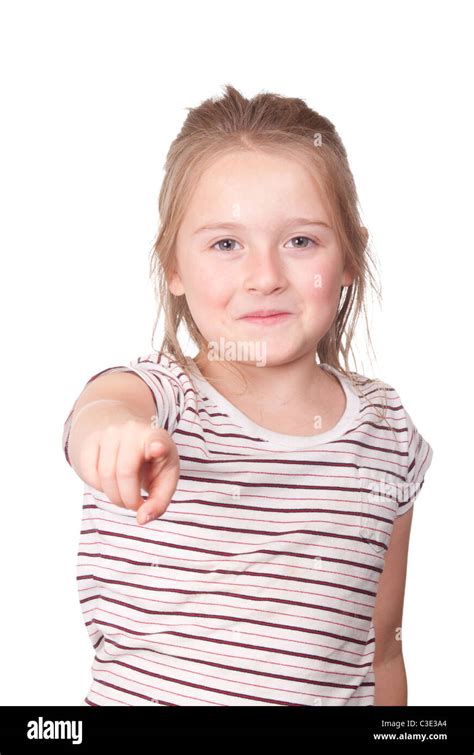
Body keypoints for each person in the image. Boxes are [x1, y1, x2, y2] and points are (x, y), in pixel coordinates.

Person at [62, 84, 433, 707]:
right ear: (173, 267)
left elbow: (384, 644)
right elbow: (100, 412)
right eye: (226, 244)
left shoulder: (388, 432)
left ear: (348, 258)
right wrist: (113, 436)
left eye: (301, 241)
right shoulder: (162, 395)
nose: (264, 276)